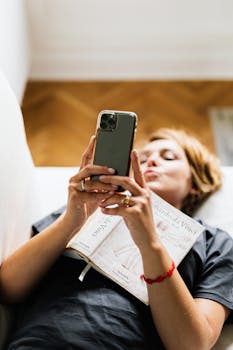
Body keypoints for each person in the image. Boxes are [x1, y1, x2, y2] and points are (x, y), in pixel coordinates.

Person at [1, 128, 232, 350]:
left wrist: (150, 245)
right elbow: (8, 287)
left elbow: (192, 344)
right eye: (141, 160)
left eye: (169, 157)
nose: (150, 162)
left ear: (195, 182)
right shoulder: (83, 209)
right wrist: (70, 221)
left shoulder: (214, 243)